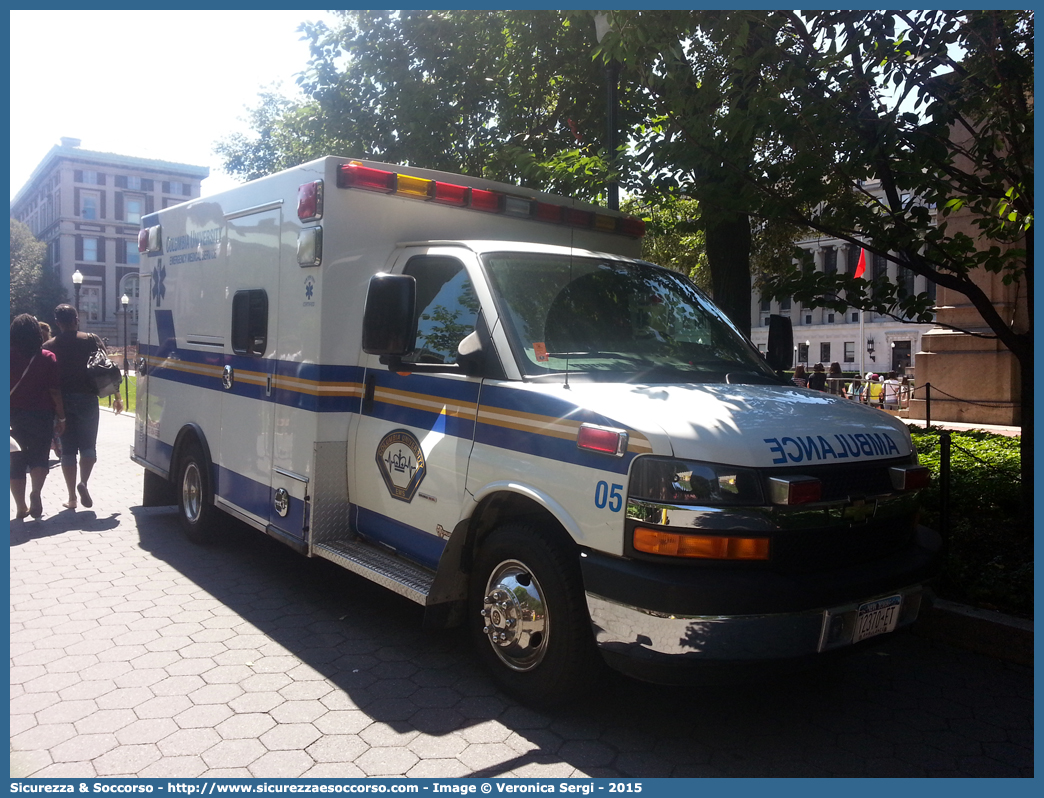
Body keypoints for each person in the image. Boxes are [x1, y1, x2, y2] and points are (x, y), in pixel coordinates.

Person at [43, 304, 122, 510]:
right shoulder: (91, 340)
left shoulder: (50, 345)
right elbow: (107, 369)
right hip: (88, 398)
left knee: (68, 450)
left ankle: (71, 498)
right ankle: (84, 482)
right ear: (76, 319)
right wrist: (117, 396)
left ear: (58, 322)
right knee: (88, 447)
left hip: (62, 402)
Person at [10, 314, 65, 519]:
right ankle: (36, 493)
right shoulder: (47, 357)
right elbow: (54, 391)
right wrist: (61, 417)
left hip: (12, 416)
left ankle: (20, 507)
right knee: (40, 457)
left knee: (15, 461)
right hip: (41, 414)